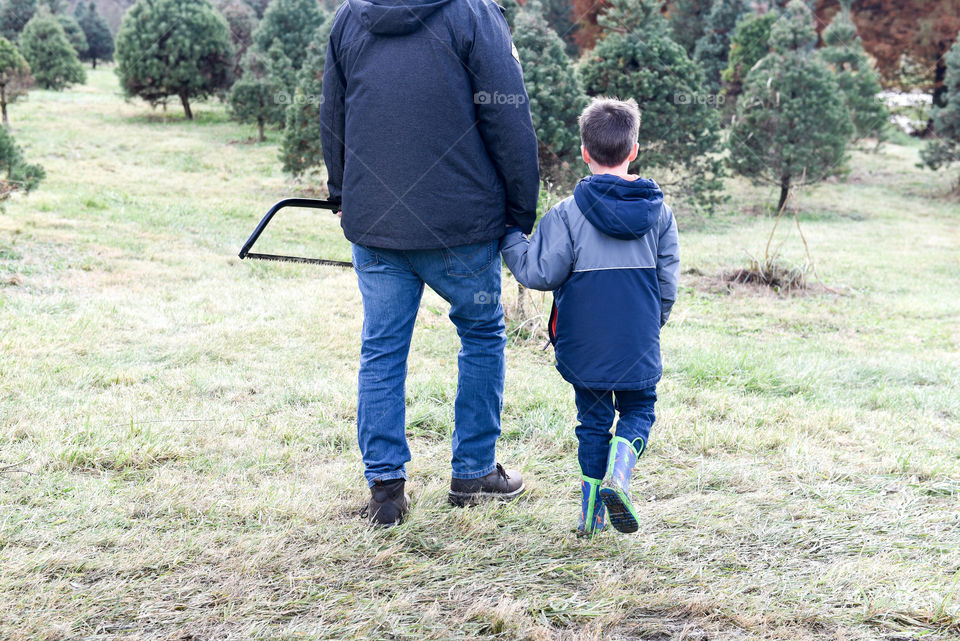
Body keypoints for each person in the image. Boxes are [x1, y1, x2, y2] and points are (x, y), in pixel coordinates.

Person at [319, 0, 540, 526]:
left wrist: (341, 191)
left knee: (382, 347)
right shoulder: (473, 14)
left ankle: (386, 489)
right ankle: (474, 472)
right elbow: (508, 116)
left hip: (376, 223)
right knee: (483, 334)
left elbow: (334, 111)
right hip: (461, 227)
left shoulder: (352, 16)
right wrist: (520, 209)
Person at [500, 97, 680, 537]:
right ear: (634, 150)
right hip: (637, 340)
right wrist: (649, 327)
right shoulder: (660, 212)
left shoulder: (567, 213)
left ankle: (590, 517)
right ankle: (620, 478)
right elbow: (667, 284)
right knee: (639, 409)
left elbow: (538, 272)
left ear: (584, 152)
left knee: (593, 422)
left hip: (583, 346)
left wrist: (508, 236)